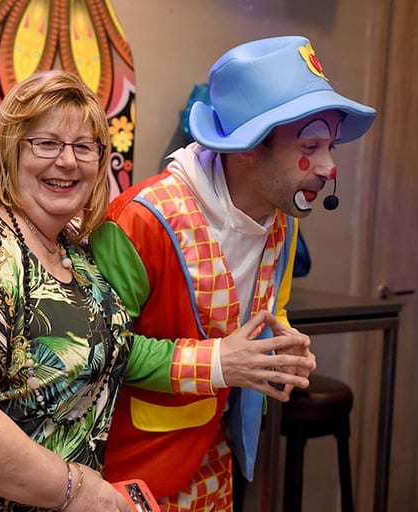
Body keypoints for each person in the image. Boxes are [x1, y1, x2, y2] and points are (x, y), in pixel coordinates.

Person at [0, 69, 314, 512]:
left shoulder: (78, 257)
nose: (67, 160)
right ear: (10, 152)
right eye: (46, 143)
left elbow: (123, 353)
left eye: (84, 147)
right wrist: (73, 488)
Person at [90, 35, 377, 511]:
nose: (328, 168)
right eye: (311, 145)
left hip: (214, 465)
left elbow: (270, 310)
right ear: (246, 147)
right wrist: (222, 364)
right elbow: (96, 353)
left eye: (330, 146)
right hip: (129, 476)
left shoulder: (280, 220)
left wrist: (282, 349)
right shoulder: (139, 223)